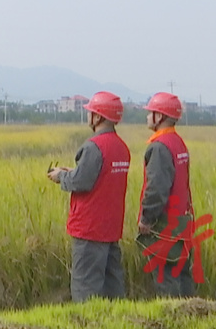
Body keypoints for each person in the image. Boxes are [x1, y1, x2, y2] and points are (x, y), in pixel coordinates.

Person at [48, 91, 131, 302]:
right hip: (111, 228)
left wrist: (62, 176)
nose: (88, 116)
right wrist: (73, 172)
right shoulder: (121, 147)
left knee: (85, 289)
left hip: (90, 230)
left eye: (91, 112)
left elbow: (82, 182)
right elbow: (100, 176)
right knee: (113, 290)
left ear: (99, 117)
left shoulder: (94, 146)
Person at [137, 91, 195, 297]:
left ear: (159, 117)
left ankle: (174, 319)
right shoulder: (177, 142)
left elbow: (156, 189)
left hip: (165, 224)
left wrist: (146, 219)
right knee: (182, 275)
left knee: (165, 277)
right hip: (182, 220)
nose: (146, 117)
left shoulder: (160, 147)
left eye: (150, 112)